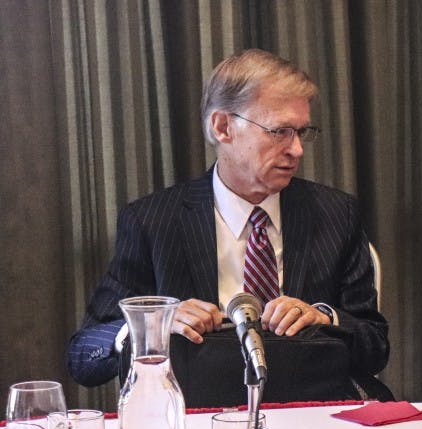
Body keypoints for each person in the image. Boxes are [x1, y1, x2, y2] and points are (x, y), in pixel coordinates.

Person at [66, 49, 388, 396]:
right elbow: (83, 357)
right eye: (279, 131)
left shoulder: (337, 214)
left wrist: (325, 317)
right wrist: (153, 324)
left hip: (314, 410)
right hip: (200, 419)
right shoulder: (154, 222)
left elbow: (375, 347)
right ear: (222, 127)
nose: (297, 150)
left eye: (301, 132)